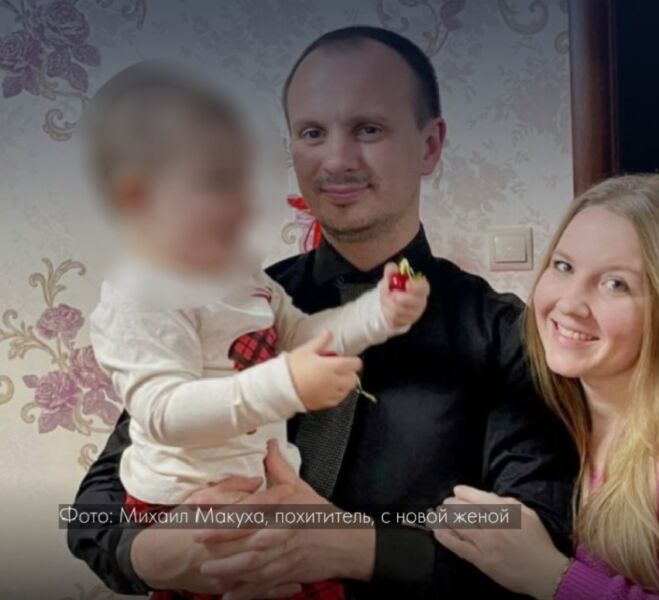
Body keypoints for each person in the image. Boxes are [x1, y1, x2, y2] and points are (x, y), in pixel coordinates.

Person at [67, 26, 578, 600]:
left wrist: (352, 544)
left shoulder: (506, 335)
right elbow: (93, 511)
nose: (336, 160)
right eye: (312, 133)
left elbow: (534, 538)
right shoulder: (226, 300)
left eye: (369, 129)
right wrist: (153, 555)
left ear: (430, 145)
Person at [81, 61, 430, 600]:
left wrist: (376, 315)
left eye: (249, 179)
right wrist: (285, 385)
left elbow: (302, 336)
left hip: (266, 500)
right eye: (216, 181)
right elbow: (160, 415)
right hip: (184, 510)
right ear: (137, 198)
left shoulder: (246, 279)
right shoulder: (143, 294)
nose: (246, 203)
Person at [434, 174, 659, 600]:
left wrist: (552, 577)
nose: (570, 304)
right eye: (563, 266)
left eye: (615, 284)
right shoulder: (552, 408)